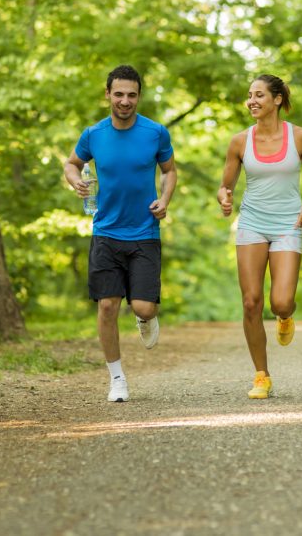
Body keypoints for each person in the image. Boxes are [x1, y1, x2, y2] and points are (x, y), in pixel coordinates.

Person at [65, 64, 178, 403]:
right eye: (119, 94)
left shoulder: (156, 132)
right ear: (108, 95)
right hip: (106, 232)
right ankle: (117, 379)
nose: (125, 101)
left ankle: (145, 318)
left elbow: (170, 171)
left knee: (143, 307)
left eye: (131, 95)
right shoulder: (93, 134)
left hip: (144, 232)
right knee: (107, 307)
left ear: (138, 96)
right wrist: (76, 182)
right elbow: (71, 164)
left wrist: (164, 199)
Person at [217, 74, 302, 399]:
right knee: (251, 301)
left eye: (260, 95)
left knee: (281, 301)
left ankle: (285, 316)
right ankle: (261, 375)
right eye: (250, 95)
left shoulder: (300, 137)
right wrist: (224, 197)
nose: (252, 101)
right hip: (252, 221)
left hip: (288, 224)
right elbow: (226, 186)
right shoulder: (240, 142)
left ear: (277, 100)